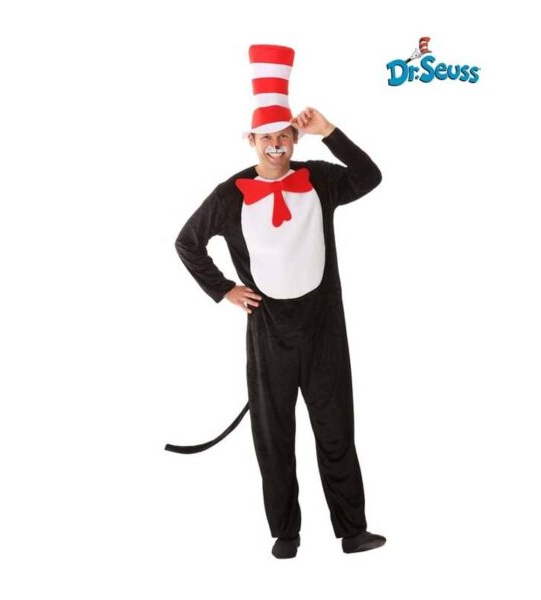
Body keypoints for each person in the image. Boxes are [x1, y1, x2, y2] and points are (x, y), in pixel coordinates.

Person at [165, 45, 386, 559]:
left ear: (294, 137)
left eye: (284, 135)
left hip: (325, 329)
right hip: (269, 334)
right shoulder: (230, 194)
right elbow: (187, 242)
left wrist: (330, 132)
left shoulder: (320, 179)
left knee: (336, 431)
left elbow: (369, 176)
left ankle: (352, 531)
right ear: (251, 140)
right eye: (266, 137)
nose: (276, 145)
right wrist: (223, 289)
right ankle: (286, 534)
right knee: (274, 437)